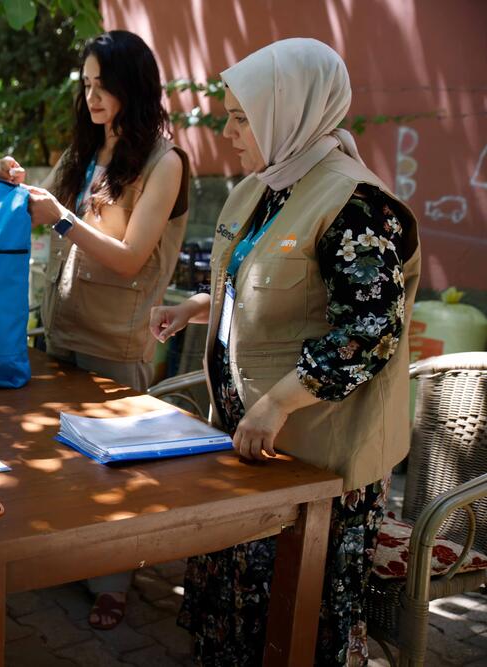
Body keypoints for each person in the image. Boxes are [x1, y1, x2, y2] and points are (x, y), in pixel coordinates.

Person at [148, 39, 421, 665]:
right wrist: (199, 307)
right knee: (234, 613)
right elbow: (260, 275)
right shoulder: (264, 187)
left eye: (241, 118)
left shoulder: (356, 206)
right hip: (248, 450)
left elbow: (371, 328)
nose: (228, 133)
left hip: (314, 461)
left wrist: (276, 404)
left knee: (294, 625)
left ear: (290, 113)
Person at [0, 30, 190, 630]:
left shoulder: (165, 161)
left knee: (114, 468)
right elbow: (41, 211)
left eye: (104, 84)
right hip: (63, 329)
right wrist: (16, 182)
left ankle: (114, 582)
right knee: (63, 458)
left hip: (117, 339)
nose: (93, 95)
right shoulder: (86, 150)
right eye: (86, 85)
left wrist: (64, 219)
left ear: (134, 84)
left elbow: (130, 256)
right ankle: (68, 558)